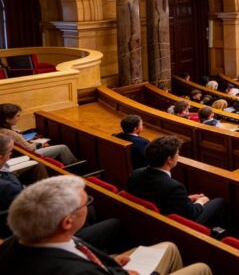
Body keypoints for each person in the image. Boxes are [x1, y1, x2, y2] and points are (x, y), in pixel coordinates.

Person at [0, 175, 212, 275]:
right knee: (202, 269)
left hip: (108, 268)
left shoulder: (15, 242)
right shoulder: (76, 273)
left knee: (169, 247)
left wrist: (110, 262)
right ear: (67, 221)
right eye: (86, 203)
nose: (89, 205)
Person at [126, 136, 224, 227]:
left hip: (143, 221)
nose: (178, 156)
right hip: (170, 226)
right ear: (169, 159)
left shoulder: (135, 173)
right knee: (219, 201)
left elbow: (162, 200)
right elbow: (191, 214)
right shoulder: (174, 187)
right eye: (177, 153)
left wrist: (187, 199)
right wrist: (200, 201)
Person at [0, 103, 78, 165]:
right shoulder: (10, 134)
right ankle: (76, 168)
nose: (19, 118)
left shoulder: (3, 129)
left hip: (20, 155)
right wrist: (39, 144)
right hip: (30, 156)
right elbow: (30, 149)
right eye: (17, 116)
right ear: (7, 119)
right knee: (62, 147)